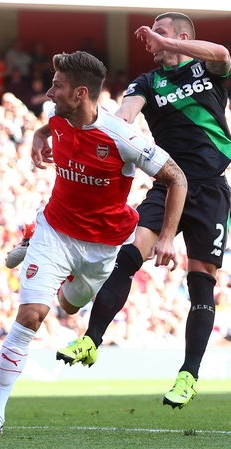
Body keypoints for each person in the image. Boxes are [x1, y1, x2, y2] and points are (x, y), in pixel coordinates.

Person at [0, 51, 187, 435]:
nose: (50, 91)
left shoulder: (123, 137)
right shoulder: (59, 118)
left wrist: (167, 236)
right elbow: (48, 127)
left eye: (58, 86)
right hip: (55, 230)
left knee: (69, 306)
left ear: (81, 93)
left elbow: (177, 178)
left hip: (102, 246)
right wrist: (37, 139)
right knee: (33, 315)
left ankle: (45, 260)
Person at [56, 12, 231, 409]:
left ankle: (188, 375)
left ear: (182, 37)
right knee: (130, 256)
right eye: (151, 35)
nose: (150, 40)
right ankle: (91, 340)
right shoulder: (147, 82)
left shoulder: (209, 67)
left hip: (211, 190)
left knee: (201, 281)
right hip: (169, 183)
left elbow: (222, 52)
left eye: (161, 33)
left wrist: (168, 43)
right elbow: (123, 117)